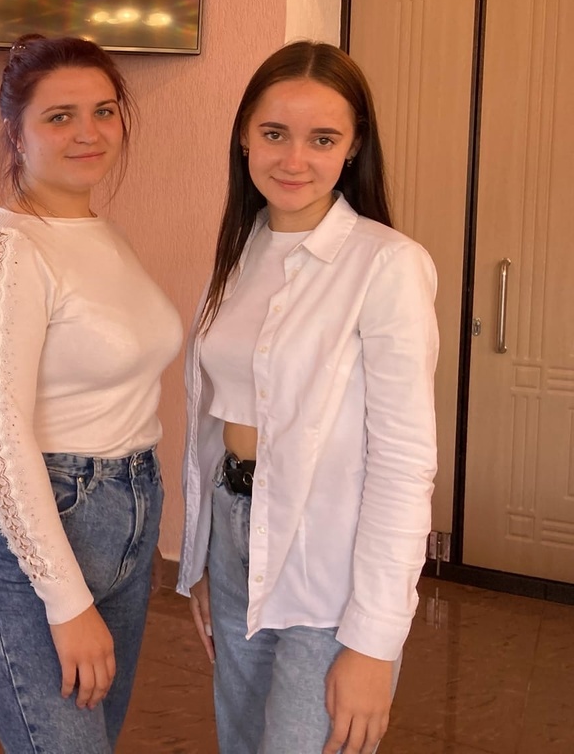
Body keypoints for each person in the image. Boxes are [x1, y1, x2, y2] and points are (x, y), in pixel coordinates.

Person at [177, 41, 438, 754]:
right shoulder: (239, 254)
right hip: (233, 540)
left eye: (322, 139)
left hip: (329, 561)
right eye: (274, 133)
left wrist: (375, 641)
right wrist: (201, 558)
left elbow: (403, 462)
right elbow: (209, 423)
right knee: (240, 741)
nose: (294, 160)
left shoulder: (387, 265)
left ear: (353, 148)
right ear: (244, 136)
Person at [0, 33, 182, 753]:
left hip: (128, 511)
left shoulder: (102, 235)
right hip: (36, 535)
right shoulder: (9, 250)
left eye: (104, 111)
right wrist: (66, 598)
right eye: (60, 117)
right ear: (15, 133)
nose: (89, 132)